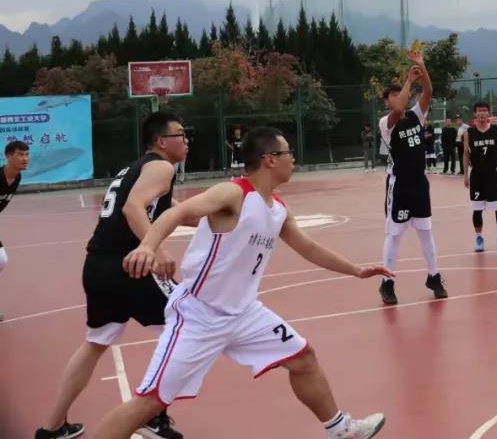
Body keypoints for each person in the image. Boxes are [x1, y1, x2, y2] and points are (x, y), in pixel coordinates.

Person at [90, 127, 392, 439]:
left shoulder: (278, 209)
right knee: (150, 402)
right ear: (270, 159)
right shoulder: (233, 194)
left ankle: (341, 430)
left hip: (245, 313)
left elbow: (309, 248)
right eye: (288, 153)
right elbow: (177, 213)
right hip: (199, 315)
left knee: (303, 358)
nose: (293, 159)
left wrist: (356, 270)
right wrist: (147, 246)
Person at [36, 113, 188, 439]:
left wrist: (219, 215)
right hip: (130, 265)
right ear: (161, 141)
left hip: (97, 265)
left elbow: (172, 210)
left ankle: (51, 427)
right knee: (187, 324)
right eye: (180, 134)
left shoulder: (135, 169)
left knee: (96, 342)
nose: (186, 140)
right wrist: (155, 249)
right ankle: (151, 415)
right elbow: (133, 208)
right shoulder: (161, 167)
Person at [376, 51, 447, 306]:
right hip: (400, 186)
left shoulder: (417, 115)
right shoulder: (387, 123)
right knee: (394, 235)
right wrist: (407, 81)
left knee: (426, 232)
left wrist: (421, 66)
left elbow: (428, 91)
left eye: (401, 93)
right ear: (387, 102)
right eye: (393, 95)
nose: (398, 97)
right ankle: (387, 282)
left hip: (419, 184)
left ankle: (434, 277)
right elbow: (398, 108)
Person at [464, 101, 497, 252]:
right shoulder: (469, 132)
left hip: (493, 173)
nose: (482, 113)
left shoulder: (495, 130)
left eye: (485, 111)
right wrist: (465, 175)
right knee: (477, 208)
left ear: (488, 113)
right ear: (475, 114)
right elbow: (466, 154)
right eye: (479, 111)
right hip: (476, 174)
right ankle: (479, 238)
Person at [1, 140, 30, 322]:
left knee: (1, 260)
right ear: (8, 156)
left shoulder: (16, 178)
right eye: (20, 154)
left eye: (27, 154)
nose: (24, 158)